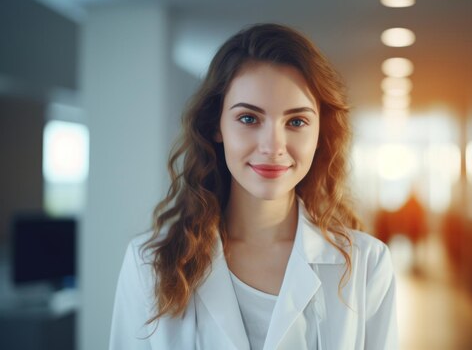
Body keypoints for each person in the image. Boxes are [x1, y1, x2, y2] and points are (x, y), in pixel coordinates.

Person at [109, 23, 398, 350]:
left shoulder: (366, 265)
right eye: (249, 118)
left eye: (296, 122)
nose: (273, 146)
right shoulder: (150, 264)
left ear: (320, 133)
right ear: (216, 126)